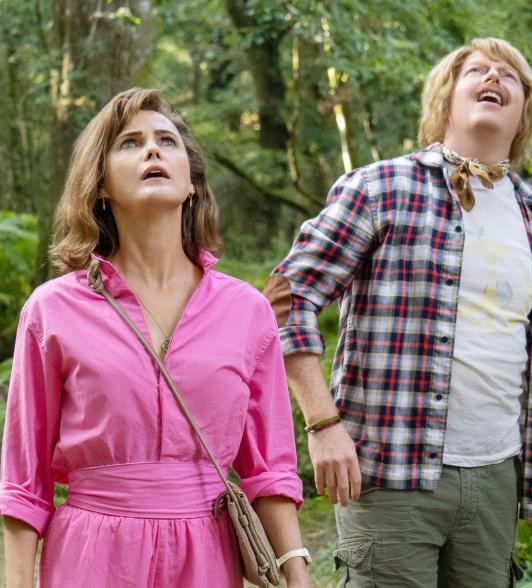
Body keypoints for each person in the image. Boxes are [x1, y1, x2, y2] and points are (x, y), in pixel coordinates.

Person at [264, 37, 532, 586]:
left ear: (524, 113)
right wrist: (322, 426)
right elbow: (284, 300)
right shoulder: (381, 188)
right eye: (478, 70)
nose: (494, 78)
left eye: (510, 75)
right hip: (390, 472)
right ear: (445, 102)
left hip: (497, 478)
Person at [0, 88, 309, 587]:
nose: (152, 151)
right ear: (100, 185)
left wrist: (298, 578)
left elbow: (269, 471)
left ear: (190, 182)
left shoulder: (247, 312)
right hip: (92, 558)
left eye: (167, 141)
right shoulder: (52, 310)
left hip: (208, 555)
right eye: (129, 143)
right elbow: (23, 484)